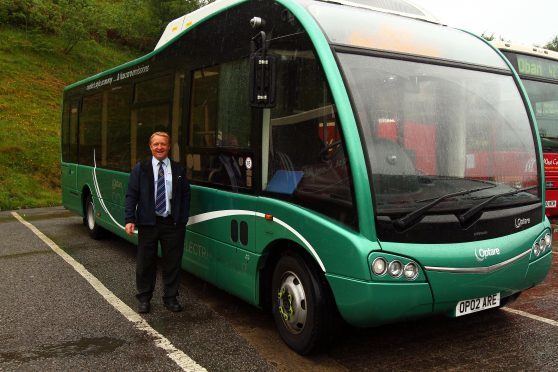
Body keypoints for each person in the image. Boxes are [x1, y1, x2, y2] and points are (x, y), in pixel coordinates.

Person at [125, 132, 191, 314]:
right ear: (150, 146)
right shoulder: (141, 168)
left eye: (163, 144)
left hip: (172, 224)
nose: (159, 147)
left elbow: (186, 195)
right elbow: (132, 195)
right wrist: (130, 219)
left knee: (172, 263)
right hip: (148, 222)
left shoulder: (179, 170)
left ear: (169, 147)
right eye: (156, 144)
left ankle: (170, 298)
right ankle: (144, 299)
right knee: (145, 263)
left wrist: (182, 218)